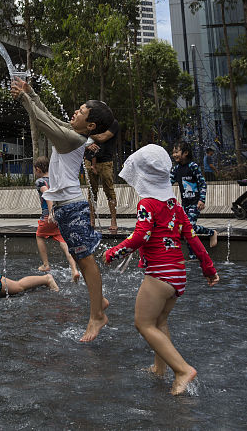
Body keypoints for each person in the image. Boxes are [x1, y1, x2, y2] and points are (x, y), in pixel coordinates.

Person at [104, 144, 220, 395]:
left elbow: (139, 237)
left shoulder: (147, 203)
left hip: (160, 274)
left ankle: (182, 369)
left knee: (142, 324)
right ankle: (160, 368)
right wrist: (209, 269)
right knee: (159, 321)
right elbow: (193, 239)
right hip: (178, 274)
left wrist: (113, 252)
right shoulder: (175, 205)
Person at [11, 77, 113, 342]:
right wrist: (31, 93)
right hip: (68, 210)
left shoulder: (70, 138)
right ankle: (98, 298)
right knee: (82, 259)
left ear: (89, 125)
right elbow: (48, 117)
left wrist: (23, 98)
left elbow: (43, 122)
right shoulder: (72, 134)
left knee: (87, 262)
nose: (75, 111)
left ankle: (97, 316)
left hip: (72, 209)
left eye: (81, 111)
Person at [33, 157, 80, 282]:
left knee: (39, 236)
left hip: (48, 216)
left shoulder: (40, 181)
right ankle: (74, 269)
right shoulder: (56, 179)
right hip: (62, 215)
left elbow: (47, 194)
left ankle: (46, 265)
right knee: (64, 241)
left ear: (38, 169)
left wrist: (51, 212)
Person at [171, 142, 217, 249]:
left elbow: (202, 183)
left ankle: (211, 233)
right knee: (184, 228)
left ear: (186, 153)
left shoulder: (193, 166)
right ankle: (192, 256)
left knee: (189, 227)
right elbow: (167, 184)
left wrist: (202, 199)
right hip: (185, 203)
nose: (174, 155)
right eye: (173, 152)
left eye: (177, 152)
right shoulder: (176, 169)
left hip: (195, 202)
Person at [84, 117, 121, 233]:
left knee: (109, 191)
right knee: (91, 192)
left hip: (106, 160)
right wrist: (86, 146)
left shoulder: (113, 123)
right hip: (90, 160)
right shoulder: (91, 123)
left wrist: (88, 131)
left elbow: (103, 137)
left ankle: (113, 220)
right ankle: (92, 220)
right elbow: (79, 139)